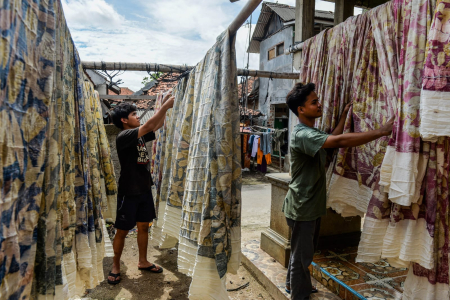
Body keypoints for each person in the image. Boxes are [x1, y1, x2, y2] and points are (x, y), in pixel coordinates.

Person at [283, 83, 394, 299]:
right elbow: (339, 140)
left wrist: (343, 116)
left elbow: (332, 140)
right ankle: (299, 294)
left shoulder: (310, 132)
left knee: (302, 252)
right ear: (301, 110)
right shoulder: (303, 134)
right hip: (302, 207)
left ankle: (293, 285)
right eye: (314, 102)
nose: (319, 104)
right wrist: (381, 132)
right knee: (302, 256)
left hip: (307, 205)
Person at [107, 92, 175, 285]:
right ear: (124, 120)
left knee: (143, 227)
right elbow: (151, 125)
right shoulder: (124, 136)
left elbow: (157, 125)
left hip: (144, 189)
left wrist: (163, 106)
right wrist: (164, 107)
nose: (138, 117)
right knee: (121, 230)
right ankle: (116, 266)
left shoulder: (138, 135)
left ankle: (143, 261)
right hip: (128, 192)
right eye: (134, 115)